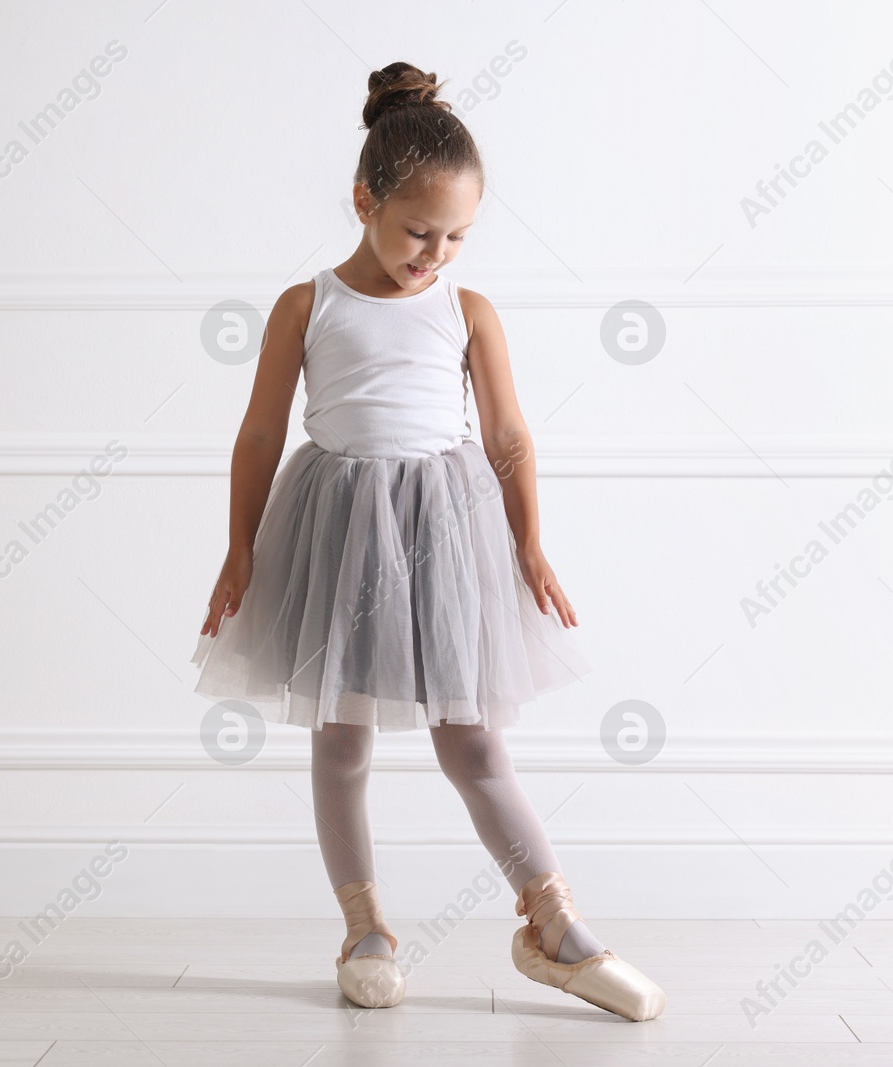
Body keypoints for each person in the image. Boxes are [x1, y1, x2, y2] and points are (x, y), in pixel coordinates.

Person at [191, 61, 664, 1023]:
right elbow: (258, 433)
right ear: (364, 199)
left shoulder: (467, 311)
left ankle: (553, 922)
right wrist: (239, 548)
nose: (435, 254)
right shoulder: (306, 304)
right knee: (341, 735)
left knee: (473, 736)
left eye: (455, 237)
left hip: (443, 529)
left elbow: (507, 436)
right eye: (418, 231)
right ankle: (365, 928)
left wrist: (530, 541)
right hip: (334, 527)